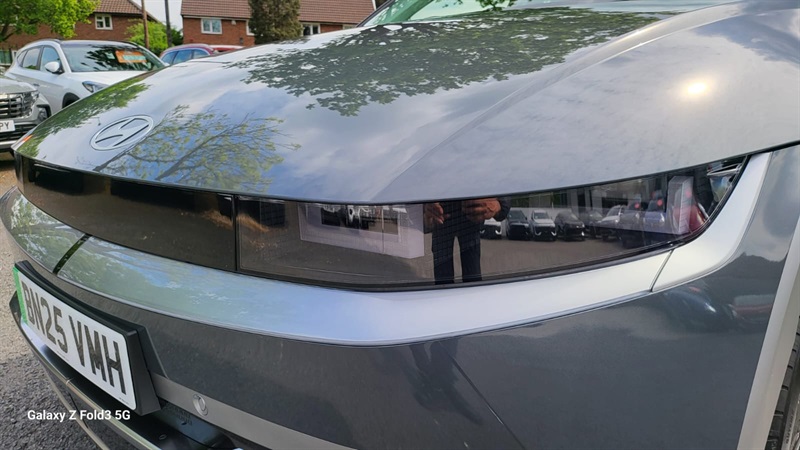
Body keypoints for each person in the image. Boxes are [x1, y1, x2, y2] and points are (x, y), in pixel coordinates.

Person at [424, 197, 510, 284]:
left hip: (462, 219)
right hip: (447, 220)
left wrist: (498, 204)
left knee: (470, 270)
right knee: (465, 272)